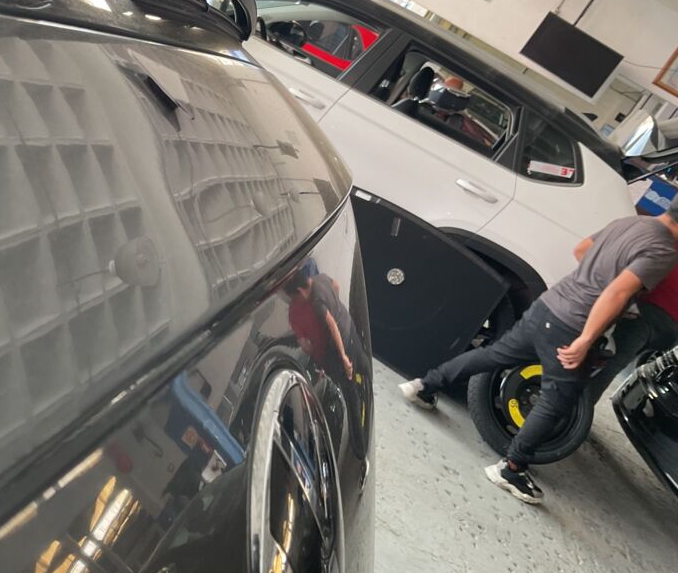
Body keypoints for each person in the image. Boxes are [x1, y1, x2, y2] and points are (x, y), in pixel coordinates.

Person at [398, 204, 678, 505]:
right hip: (573, 324)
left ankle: (423, 386)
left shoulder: (628, 223)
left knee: (495, 355)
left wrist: (591, 282)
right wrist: (586, 338)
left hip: (549, 304)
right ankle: (511, 468)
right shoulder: (664, 249)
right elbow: (617, 293)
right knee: (557, 400)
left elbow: (582, 249)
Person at [586, 261, 678, 404]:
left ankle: (574, 410)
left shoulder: (669, 250)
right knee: (612, 363)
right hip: (670, 327)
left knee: (606, 364)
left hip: (648, 313)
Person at [285, 268, 354, 380]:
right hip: (348, 328)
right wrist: (334, 306)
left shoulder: (296, 311)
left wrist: (342, 356)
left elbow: (306, 347)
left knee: (340, 378)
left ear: (299, 291)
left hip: (331, 351)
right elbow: (336, 285)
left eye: (293, 297)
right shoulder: (321, 278)